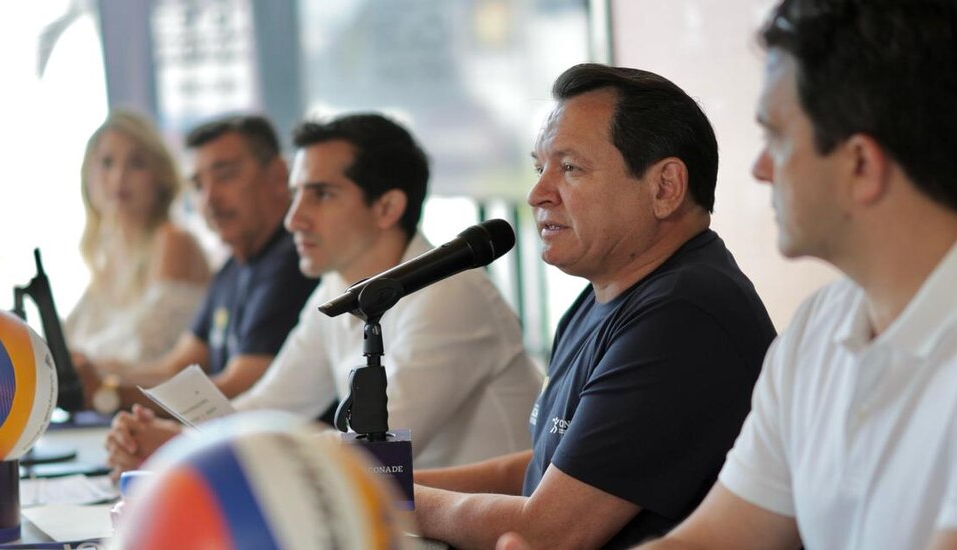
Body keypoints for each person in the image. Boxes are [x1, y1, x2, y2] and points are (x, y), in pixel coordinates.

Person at [630, 1, 957, 549]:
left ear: (859, 165)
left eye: (776, 137)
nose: (760, 168)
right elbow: (717, 538)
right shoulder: (816, 329)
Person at [412, 63, 776, 550]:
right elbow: (559, 468)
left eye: (569, 168)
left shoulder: (684, 314)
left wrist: (386, 499)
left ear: (665, 187)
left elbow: (551, 530)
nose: (538, 193)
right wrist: (384, 485)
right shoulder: (602, 294)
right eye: (540, 167)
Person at [104, 113, 543, 473]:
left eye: (321, 195)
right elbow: (270, 407)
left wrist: (185, 450)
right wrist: (172, 441)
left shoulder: (450, 296)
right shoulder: (337, 286)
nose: (294, 218)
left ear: (388, 207)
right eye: (296, 195)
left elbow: (370, 455)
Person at [76, 114, 319, 414]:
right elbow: (177, 367)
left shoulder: (292, 261)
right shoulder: (232, 269)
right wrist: (100, 376)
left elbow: (238, 388)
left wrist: (109, 393)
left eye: (226, 176)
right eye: (198, 184)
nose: (209, 198)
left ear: (278, 176)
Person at [64, 110, 211, 368]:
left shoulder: (173, 241)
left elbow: (146, 351)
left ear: (160, 176)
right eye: (107, 163)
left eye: (137, 164)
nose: (119, 177)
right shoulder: (107, 257)